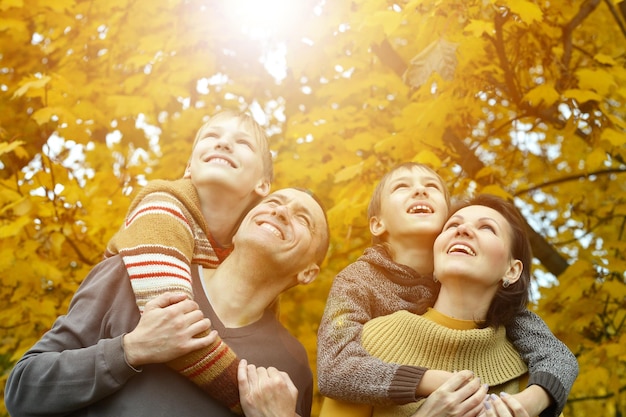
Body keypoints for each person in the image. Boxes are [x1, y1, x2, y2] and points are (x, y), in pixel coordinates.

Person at [5, 187, 330, 417]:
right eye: (275, 201)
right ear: (239, 228)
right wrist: (130, 350)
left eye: (303, 218)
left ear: (308, 273)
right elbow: (22, 390)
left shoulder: (292, 366)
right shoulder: (133, 272)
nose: (281, 211)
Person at [317, 163, 578, 417]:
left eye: (487, 228)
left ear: (512, 270)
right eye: (454, 225)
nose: (463, 230)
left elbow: (560, 357)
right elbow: (334, 368)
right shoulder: (363, 309)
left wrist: (533, 401)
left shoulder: (526, 366)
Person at [103, 109, 273, 412]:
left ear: (262, 183)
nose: (223, 144)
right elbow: (176, 331)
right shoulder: (162, 207)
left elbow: (258, 338)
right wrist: (257, 400)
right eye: (211, 136)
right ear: (189, 167)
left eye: (243, 143)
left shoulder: (247, 253)